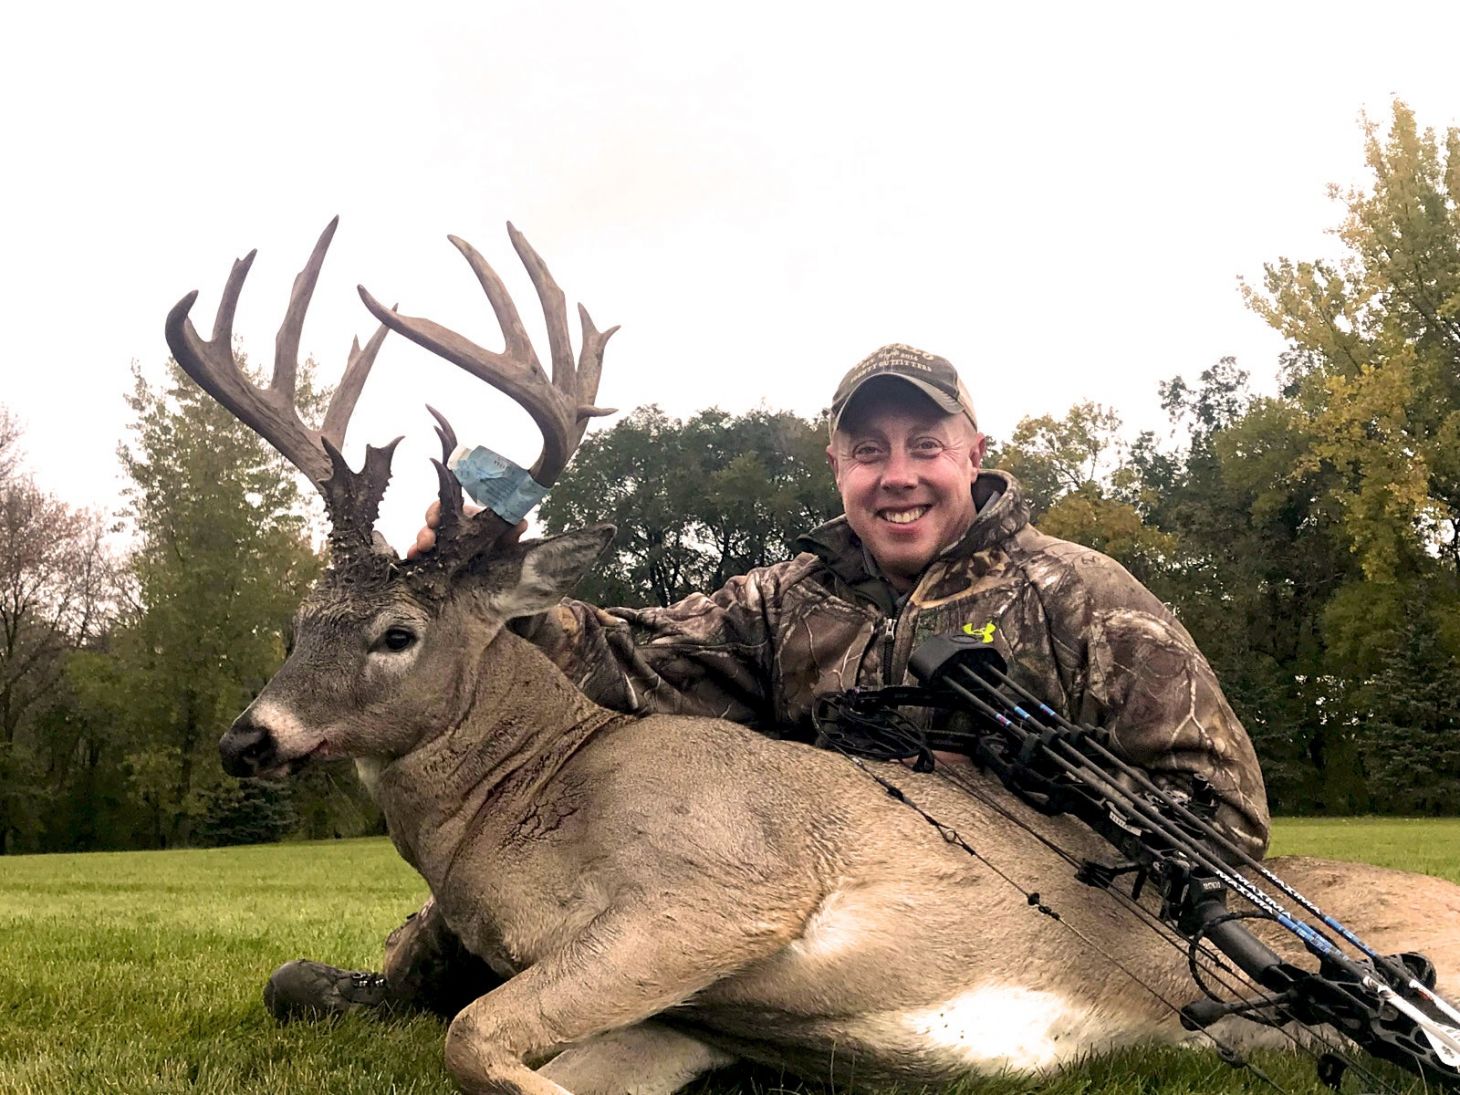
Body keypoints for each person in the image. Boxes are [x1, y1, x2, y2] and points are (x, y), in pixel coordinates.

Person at [265, 343, 1270, 1020]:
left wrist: (1039, 825)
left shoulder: (1084, 596)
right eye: (868, 451)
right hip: (799, 877)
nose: (898, 474)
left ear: (973, 454)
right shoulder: (782, 602)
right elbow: (614, 653)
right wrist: (477, 538)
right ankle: (400, 987)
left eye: (925, 446)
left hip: (1000, 899)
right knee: (551, 873)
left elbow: (1217, 809)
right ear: (836, 465)